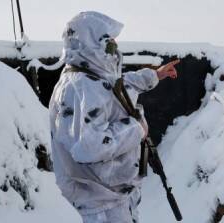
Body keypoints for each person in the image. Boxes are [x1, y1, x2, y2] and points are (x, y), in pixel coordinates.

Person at [49, 11, 180, 223]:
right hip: (100, 207)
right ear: (89, 44)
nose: (114, 51)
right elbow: (90, 146)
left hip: (114, 198)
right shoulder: (79, 88)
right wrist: (137, 128)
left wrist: (155, 74)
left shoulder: (90, 78)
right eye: (109, 45)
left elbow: (117, 86)